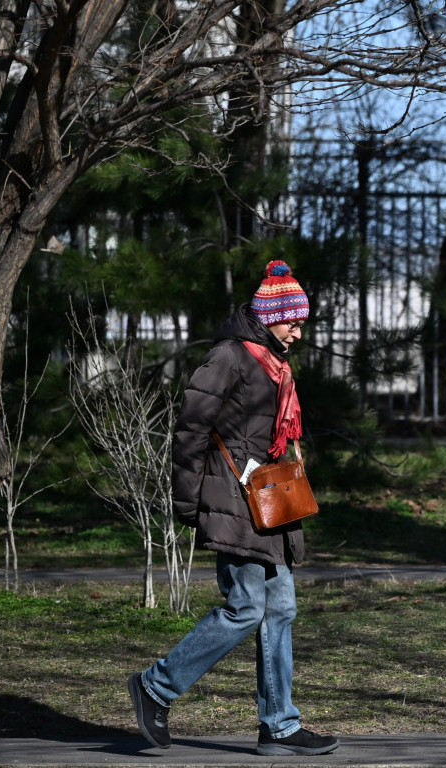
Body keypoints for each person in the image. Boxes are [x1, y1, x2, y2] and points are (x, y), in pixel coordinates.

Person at [128, 261, 339, 756]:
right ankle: (155, 686)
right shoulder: (230, 356)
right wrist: (187, 498)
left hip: (266, 501)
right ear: (269, 316)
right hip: (231, 499)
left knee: (281, 607)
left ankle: (280, 725)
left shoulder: (273, 361)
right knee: (246, 607)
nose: (298, 328)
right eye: (291, 319)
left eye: (301, 320)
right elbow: (190, 431)